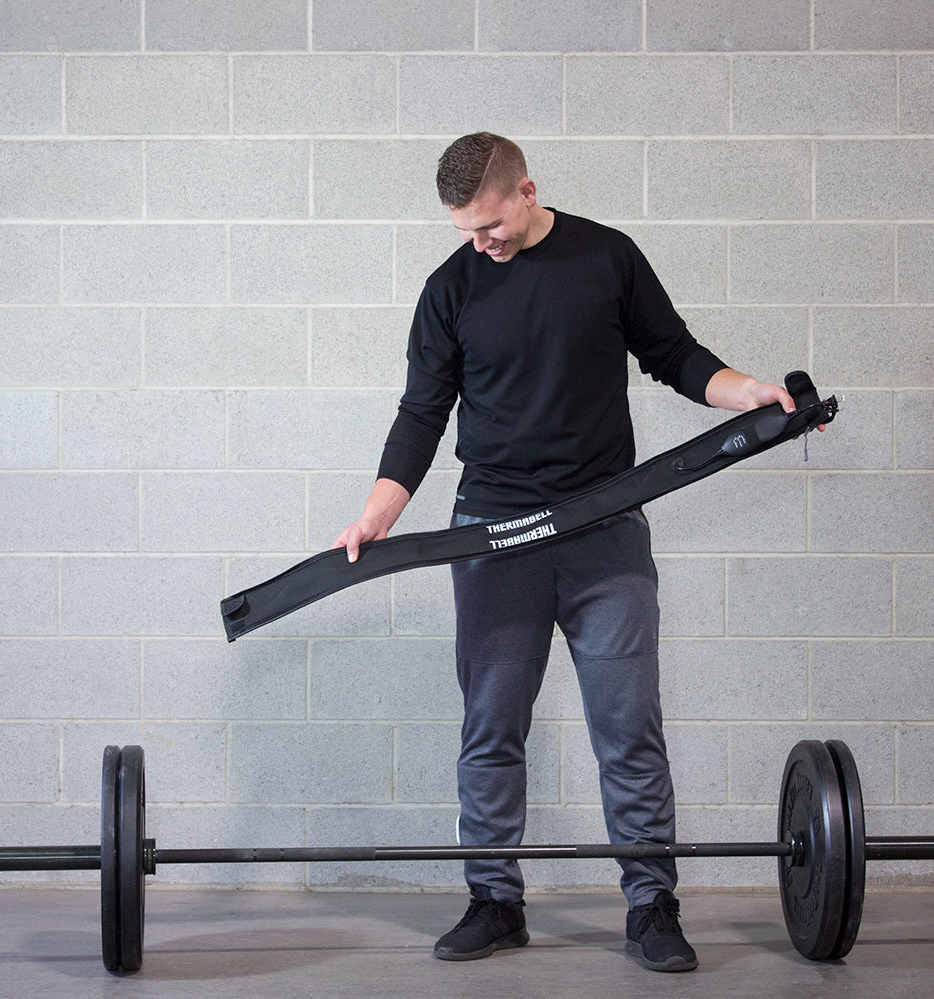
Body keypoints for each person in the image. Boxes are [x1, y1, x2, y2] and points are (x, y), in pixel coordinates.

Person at [330, 132, 800, 974]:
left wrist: (755, 393)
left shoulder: (607, 257)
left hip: (603, 528)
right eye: (465, 230)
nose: (481, 242)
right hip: (495, 535)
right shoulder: (450, 290)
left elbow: (676, 357)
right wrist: (375, 515)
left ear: (527, 191)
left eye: (490, 224)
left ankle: (652, 904)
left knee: (627, 726)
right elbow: (420, 415)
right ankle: (494, 899)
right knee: (491, 727)